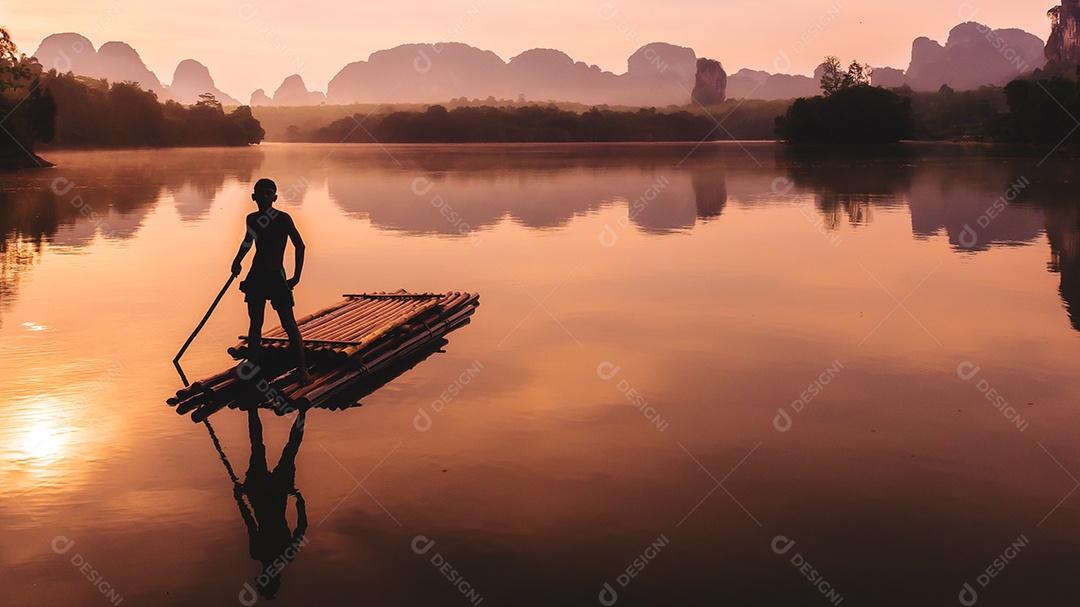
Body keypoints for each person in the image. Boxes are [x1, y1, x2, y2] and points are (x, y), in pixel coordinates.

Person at [231, 178, 313, 386]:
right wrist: (237, 261)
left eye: (269, 193)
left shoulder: (283, 219)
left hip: (277, 276)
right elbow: (248, 242)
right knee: (255, 323)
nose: (265, 197)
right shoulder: (251, 218)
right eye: (261, 193)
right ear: (254, 197)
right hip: (256, 276)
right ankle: (252, 366)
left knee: (289, 324)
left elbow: (300, 246)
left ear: (275, 197)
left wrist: (297, 276)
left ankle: (302, 370)